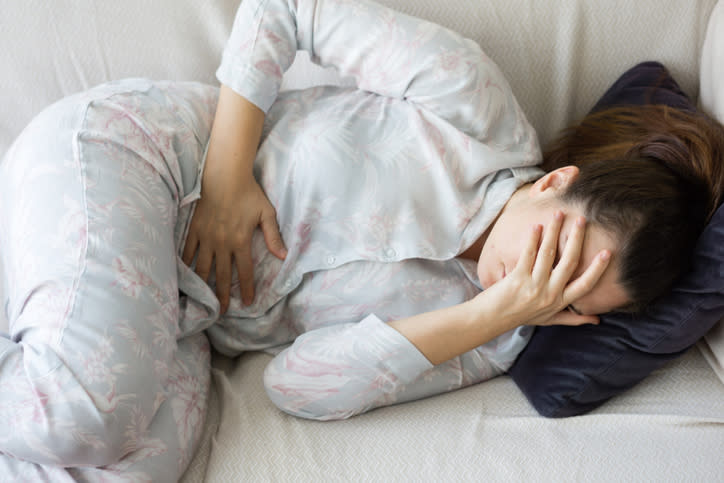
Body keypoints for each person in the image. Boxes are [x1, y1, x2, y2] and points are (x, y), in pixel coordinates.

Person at [0, 0, 722, 479]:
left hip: (190, 316)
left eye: (565, 292)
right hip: (152, 166)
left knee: (123, 467)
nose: (534, 278)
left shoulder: (492, 339)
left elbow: (294, 385)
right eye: (556, 249)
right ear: (554, 182)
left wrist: (488, 316)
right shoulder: (474, 111)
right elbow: (287, 6)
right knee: (94, 410)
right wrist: (226, 176)